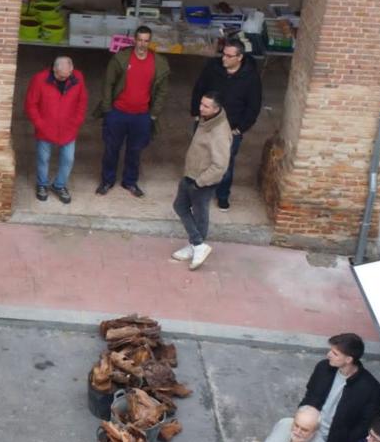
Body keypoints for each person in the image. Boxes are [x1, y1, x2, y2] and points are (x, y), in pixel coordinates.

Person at [94, 25, 170, 197]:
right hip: (118, 112)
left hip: (142, 115)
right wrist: (107, 109)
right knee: (111, 149)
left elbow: (162, 92)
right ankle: (107, 180)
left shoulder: (158, 63)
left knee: (135, 151)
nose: (142, 44)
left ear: (150, 42)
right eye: (140, 40)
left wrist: (153, 113)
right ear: (134, 40)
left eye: (146, 41)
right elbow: (108, 84)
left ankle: (130, 182)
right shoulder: (120, 59)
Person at [190, 38, 263, 209]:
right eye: (224, 54)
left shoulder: (251, 78)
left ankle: (222, 195)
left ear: (240, 57)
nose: (224, 59)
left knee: (224, 164)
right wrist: (196, 113)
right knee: (199, 159)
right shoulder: (212, 68)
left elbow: (253, 106)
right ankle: (197, 194)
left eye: (229, 56)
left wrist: (240, 128)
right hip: (205, 124)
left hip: (230, 129)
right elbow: (199, 89)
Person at [171, 92, 232, 270]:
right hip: (190, 174)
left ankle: (197, 246)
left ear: (216, 108)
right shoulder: (206, 120)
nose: (201, 108)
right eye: (201, 104)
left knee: (200, 213)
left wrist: (200, 182)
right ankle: (197, 245)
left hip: (202, 180)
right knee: (180, 206)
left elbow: (220, 166)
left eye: (206, 106)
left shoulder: (219, 132)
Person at [300, 333, 380, 442]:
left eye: (335, 353)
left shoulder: (371, 389)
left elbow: (366, 425)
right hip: (307, 430)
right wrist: (302, 417)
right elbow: (310, 395)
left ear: (348, 359)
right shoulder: (323, 367)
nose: (328, 355)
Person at [24, 55, 88, 204]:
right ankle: (42, 184)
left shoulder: (78, 78)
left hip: (68, 128)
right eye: (60, 76)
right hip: (45, 129)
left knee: (68, 159)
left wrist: (77, 121)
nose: (64, 79)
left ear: (71, 69)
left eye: (67, 76)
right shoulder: (39, 79)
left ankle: (59, 185)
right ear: (54, 68)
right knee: (43, 159)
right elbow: (30, 104)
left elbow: (82, 101)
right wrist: (40, 124)